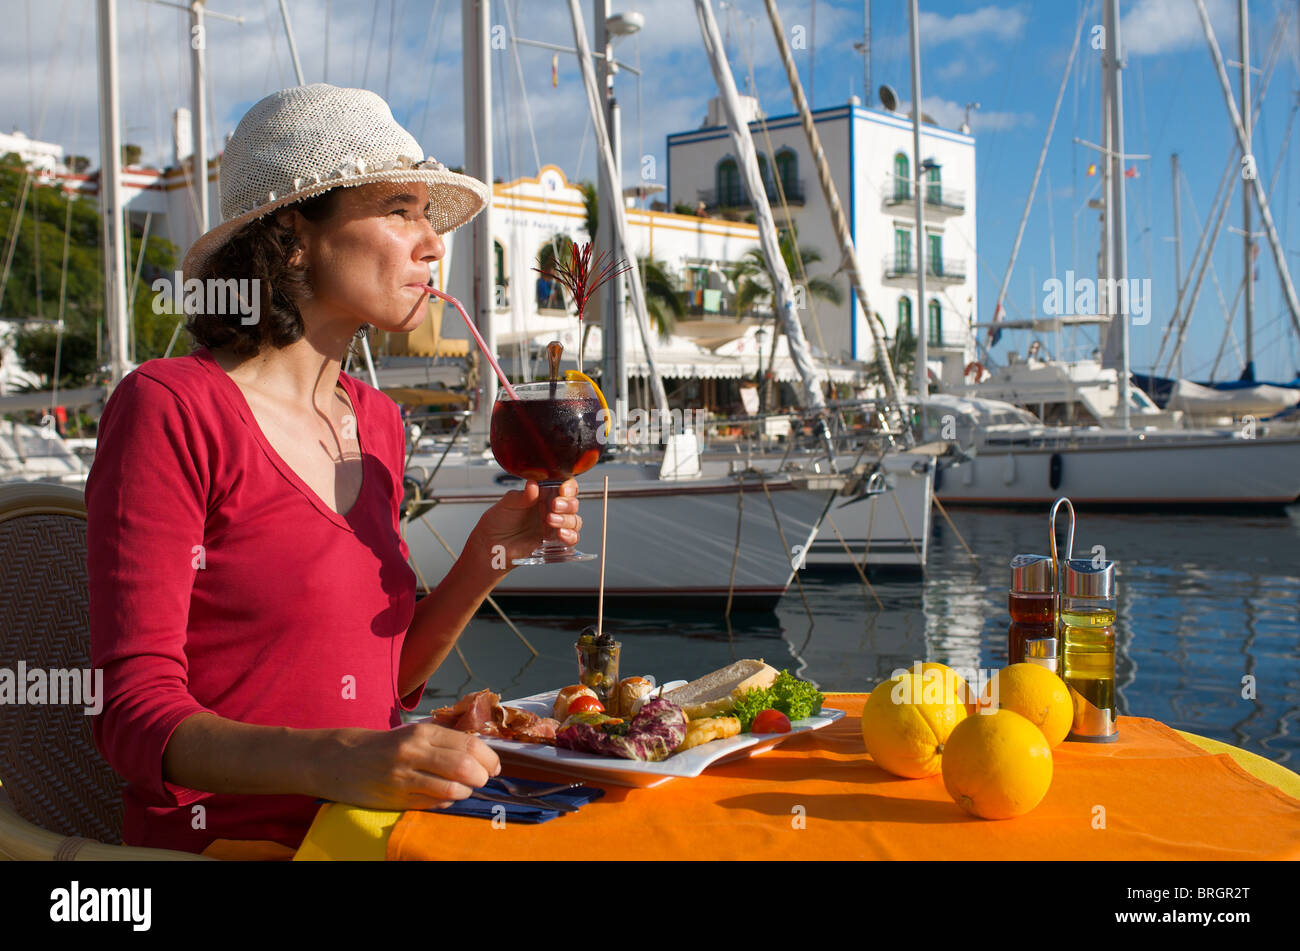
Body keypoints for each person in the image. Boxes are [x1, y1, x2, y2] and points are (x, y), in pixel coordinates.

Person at [85, 84, 583, 857]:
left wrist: (492, 553)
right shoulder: (171, 407)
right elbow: (132, 715)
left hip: (378, 824)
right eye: (398, 210)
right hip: (234, 842)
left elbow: (384, 684)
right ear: (292, 235)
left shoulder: (378, 423)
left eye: (429, 214)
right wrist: (343, 759)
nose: (432, 242)